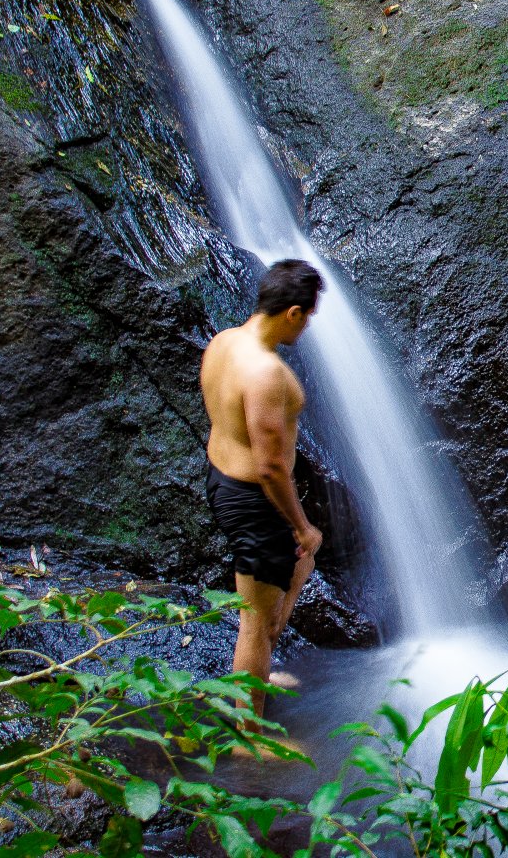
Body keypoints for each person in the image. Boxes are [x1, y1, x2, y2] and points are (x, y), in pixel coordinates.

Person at [199, 258, 325, 721]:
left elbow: (219, 412)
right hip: (256, 501)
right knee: (256, 624)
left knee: (285, 583)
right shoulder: (266, 373)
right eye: (308, 316)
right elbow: (271, 466)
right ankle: (246, 734)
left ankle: (260, 670)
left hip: (222, 478)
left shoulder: (223, 343)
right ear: (291, 313)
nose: (307, 325)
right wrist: (301, 525)